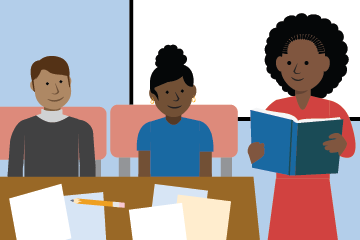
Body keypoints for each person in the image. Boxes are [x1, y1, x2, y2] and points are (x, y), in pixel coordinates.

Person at [248, 13, 356, 239]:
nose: (297, 70)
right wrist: (254, 152)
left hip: (318, 192)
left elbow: (350, 150)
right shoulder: (275, 107)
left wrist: (341, 144)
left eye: (306, 63)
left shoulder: (333, 110)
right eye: (289, 62)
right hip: (285, 193)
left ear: (325, 64)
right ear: (279, 64)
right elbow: (258, 152)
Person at [8, 56, 96, 177]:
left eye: (60, 82)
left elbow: (88, 175)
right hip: (33, 194)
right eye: (47, 83)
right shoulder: (23, 128)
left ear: (69, 82)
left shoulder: (83, 128)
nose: (55, 90)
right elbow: (14, 173)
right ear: (33, 86)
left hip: (69, 194)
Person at [137, 45, 213, 177]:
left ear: (193, 91)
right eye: (166, 92)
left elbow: (206, 177)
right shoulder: (147, 130)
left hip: (193, 195)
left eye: (182, 91)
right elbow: (143, 178)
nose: (175, 98)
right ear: (153, 96)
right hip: (155, 194)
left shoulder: (202, 129)